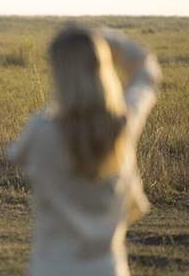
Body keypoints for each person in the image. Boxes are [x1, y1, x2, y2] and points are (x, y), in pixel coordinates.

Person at [8, 24, 161, 276]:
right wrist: (105, 40)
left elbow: (14, 155)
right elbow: (148, 70)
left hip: (49, 268)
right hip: (107, 267)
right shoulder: (123, 125)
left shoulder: (40, 131)